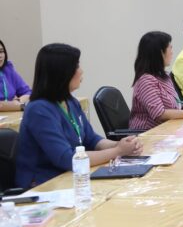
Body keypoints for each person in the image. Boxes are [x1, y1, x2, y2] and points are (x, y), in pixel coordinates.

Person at [15, 44, 143, 188]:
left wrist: (120, 144)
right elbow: (67, 159)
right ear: (61, 72)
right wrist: (117, 151)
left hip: (72, 177)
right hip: (44, 185)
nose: (81, 71)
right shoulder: (39, 110)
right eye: (76, 66)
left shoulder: (70, 102)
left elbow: (92, 139)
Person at [129, 31, 183, 131]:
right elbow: (160, 114)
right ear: (160, 53)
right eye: (170, 48)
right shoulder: (146, 81)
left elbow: (170, 105)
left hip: (168, 129)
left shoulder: (163, 76)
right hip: (148, 134)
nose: (172, 52)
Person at [0, 39, 31, 112]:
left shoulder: (8, 70)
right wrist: (19, 106)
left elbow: (28, 92)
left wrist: (17, 101)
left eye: (1, 51)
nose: (0, 56)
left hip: (12, 116)